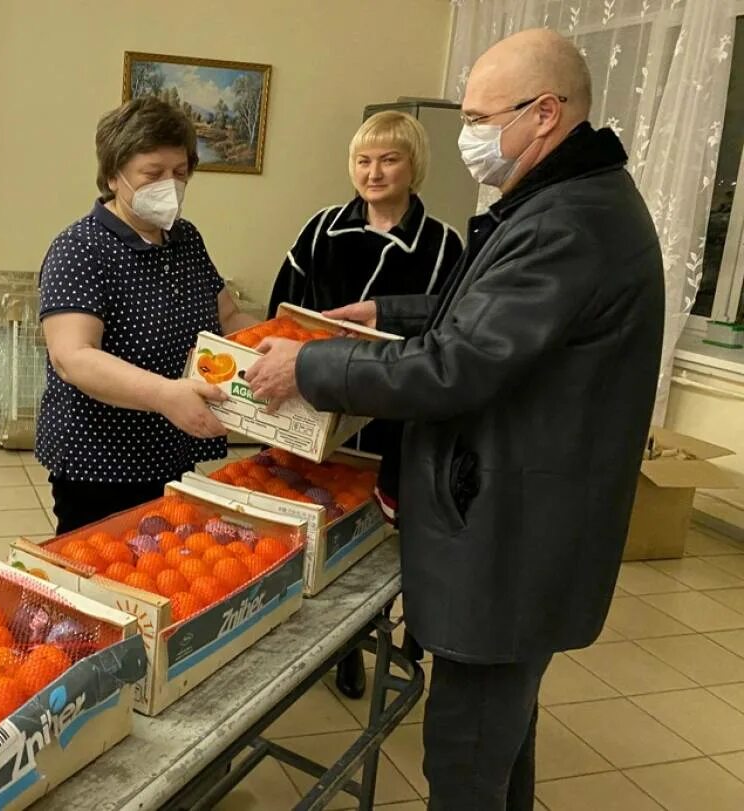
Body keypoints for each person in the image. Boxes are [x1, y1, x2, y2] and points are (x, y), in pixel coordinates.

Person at [245, 29, 663, 810]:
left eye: (479, 118)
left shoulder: (569, 221)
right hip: (529, 526)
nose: (469, 136)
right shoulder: (564, 198)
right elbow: (479, 309)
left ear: (545, 113)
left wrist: (307, 367)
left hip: (512, 538)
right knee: (502, 740)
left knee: (467, 755)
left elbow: (457, 364)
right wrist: (385, 309)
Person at [268, 111, 462, 700]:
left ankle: (362, 637)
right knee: (312, 519)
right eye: (363, 160)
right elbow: (285, 311)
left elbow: (445, 334)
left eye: (389, 159)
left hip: (390, 416)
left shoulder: (444, 244)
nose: (373, 172)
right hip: (314, 403)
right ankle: (324, 641)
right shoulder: (322, 229)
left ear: (414, 166)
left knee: (371, 534)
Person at [37, 97, 256, 534]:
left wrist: (286, 351)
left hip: (173, 449)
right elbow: (73, 356)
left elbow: (228, 318)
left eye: (180, 173)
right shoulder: (81, 248)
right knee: (109, 576)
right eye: (153, 174)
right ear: (114, 175)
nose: (169, 186)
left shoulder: (185, 240)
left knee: (168, 571)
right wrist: (163, 395)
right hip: (101, 464)